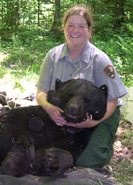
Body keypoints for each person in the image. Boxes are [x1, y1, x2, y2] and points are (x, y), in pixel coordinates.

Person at [36, 5, 128, 169]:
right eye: (70, 25)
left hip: (102, 114)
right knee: (43, 153)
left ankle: (103, 146)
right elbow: (41, 92)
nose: (75, 30)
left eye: (81, 26)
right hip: (66, 113)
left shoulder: (100, 60)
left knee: (86, 163)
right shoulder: (53, 56)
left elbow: (112, 100)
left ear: (89, 31)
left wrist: (91, 123)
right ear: (63, 28)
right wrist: (48, 107)